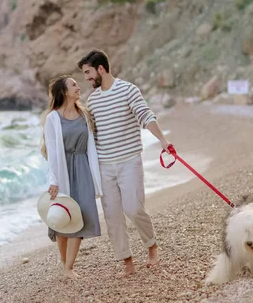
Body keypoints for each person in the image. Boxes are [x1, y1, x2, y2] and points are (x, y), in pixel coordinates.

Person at [77, 49, 173, 277]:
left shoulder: (128, 90)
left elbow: (145, 115)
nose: (87, 78)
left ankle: (152, 247)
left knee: (133, 208)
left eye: (88, 72)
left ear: (101, 68)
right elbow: (91, 135)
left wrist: (163, 140)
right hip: (104, 166)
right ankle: (127, 262)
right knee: (112, 217)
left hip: (129, 161)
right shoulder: (93, 100)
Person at [40, 75, 103, 279]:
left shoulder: (84, 114)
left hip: (83, 168)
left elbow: (92, 146)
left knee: (80, 217)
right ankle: (63, 261)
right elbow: (52, 152)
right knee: (62, 217)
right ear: (64, 92)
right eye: (73, 85)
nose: (78, 87)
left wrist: (97, 177)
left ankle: (69, 267)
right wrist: (54, 181)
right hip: (63, 170)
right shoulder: (53, 118)